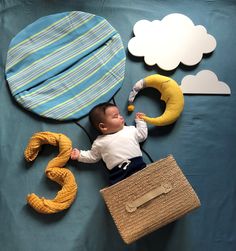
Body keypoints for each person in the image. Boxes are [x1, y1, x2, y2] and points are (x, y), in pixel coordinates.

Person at [71, 102, 148, 185]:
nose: (121, 117)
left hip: (138, 165)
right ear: (103, 127)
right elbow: (92, 156)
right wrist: (79, 155)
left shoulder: (130, 130)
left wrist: (140, 122)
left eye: (119, 114)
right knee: (121, 192)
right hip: (118, 173)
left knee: (148, 180)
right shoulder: (99, 142)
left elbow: (142, 135)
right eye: (116, 116)